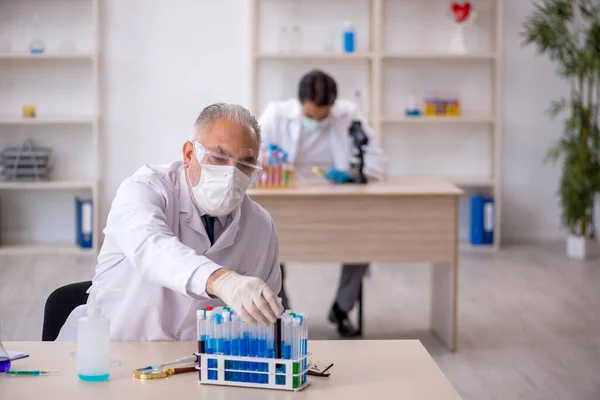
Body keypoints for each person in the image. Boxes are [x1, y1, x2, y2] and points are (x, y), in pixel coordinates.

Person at [57, 103, 282, 341]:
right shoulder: (144, 189)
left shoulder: (260, 225)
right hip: (110, 355)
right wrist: (222, 280)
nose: (232, 174)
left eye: (245, 165)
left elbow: (265, 318)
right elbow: (152, 248)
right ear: (188, 155)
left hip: (198, 367)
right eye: (218, 158)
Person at [258, 70, 387, 337]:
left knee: (363, 242)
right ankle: (284, 313)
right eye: (309, 116)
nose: (316, 121)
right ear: (298, 101)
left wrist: (351, 174)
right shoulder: (276, 114)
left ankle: (342, 308)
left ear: (333, 106)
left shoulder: (349, 114)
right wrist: (269, 162)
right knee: (269, 246)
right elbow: (251, 158)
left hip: (336, 197)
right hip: (290, 199)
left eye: (323, 116)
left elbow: (376, 161)